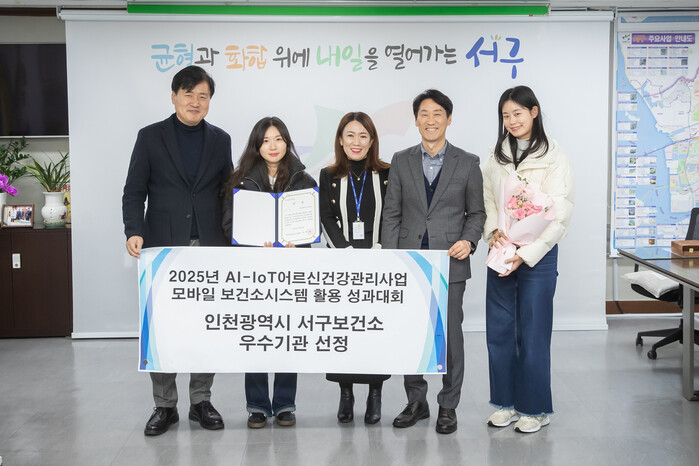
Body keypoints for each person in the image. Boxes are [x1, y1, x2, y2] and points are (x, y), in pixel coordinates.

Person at [122, 65, 232, 436]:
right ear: (174, 97)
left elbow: (228, 193)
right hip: (162, 247)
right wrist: (134, 231)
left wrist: (239, 234)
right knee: (163, 327)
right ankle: (165, 406)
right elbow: (134, 191)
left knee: (206, 325)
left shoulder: (220, 139)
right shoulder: (150, 136)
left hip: (209, 245)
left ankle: (201, 400)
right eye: (189, 94)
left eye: (203, 96)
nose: (195, 102)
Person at [382, 89, 485, 434]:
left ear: (449, 119)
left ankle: (448, 405)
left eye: (437, 114)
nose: (430, 120)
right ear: (416, 120)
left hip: (449, 263)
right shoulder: (401, 160)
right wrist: (391, 258)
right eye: (424, 114)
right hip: (410, 261)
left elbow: (477, 213)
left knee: (450, 336)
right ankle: (417, 402)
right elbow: (392, 213)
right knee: (412, 332)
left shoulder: (468, 162)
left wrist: (468, 241)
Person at [482, 85, 574, 434]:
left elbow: (560, 211)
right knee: (499, 330)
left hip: (539, 255)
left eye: (518, 113)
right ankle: (504, 404)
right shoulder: (495, 155)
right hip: (502, 250)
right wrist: (493, 233)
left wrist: (528, 252)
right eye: (506, 116)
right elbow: (488, 198)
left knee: (533, 332)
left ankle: (534, 409)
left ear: (534, 112)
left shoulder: (555, 156)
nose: (512, 121)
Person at [222, 116, 317, 429]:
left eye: (278, 139)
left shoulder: (304, 180)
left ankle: (286, 403)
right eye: (265, 140)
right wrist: (252, 241)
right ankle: (257, 405)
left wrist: (297, 242)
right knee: (258, 336)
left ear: (287, 143)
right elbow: (228, 225)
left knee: (288, 335)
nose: (272, 146)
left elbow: (311, 226)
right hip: (255, 272)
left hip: (291, 271)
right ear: (256, 145)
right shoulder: (240, 182)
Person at [320, 112, 391, 424]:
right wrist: (345, 253)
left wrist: (379, 250)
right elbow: (325, 216)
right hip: (341, 264)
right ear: (340, 139)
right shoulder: (329, 175)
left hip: (379, 262)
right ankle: (346, 394)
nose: (356, 142)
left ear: (372, 141)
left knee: (374, 329)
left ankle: (375, 394)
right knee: (345, 329)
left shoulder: (388, 173)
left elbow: (393, 214)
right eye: (350, 135)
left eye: (363, 135)